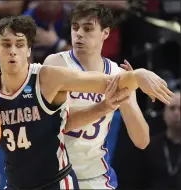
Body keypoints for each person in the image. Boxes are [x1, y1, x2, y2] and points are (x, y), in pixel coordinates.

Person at [0, 16, 173, 190]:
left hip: (57, 183)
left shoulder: (47, 78)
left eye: (19, 45)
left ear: (29, 51)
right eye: (6, 44)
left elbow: (106, 82)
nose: (13, 51)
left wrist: (138, 75)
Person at [42, 1, 151, 189]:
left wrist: (126, 98)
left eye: (88, 28)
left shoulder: (117, 74)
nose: (79, 34)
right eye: (75, 28)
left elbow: (142, 141)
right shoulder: (55, 65)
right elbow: (53, 127)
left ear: (105, 33)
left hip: (96, 177)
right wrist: (104, 107)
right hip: (56, 174)